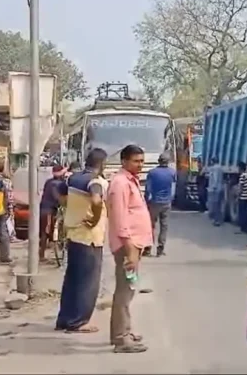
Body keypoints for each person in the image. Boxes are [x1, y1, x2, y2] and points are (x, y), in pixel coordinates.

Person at [55, 149, 108, 334]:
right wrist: (94, 219)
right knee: (88, 282)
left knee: (72, 280)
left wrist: (69, 207)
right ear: (102, 164)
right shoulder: (96, 181)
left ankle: (64, 319)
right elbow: (96, 201)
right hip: (89, 238)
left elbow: (60, 193)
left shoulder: (72, 178)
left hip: (73, 234)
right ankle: (79, 321)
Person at [107, 145, 152, 353]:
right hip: (128, 246)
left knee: (129, 289)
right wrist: (130, 247)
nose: (140, 164)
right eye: (136, 161)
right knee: (125, 291)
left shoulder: (129, 181)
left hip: (134, 245)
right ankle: (120, 338)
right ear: (124, 161)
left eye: (142, 161)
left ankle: (124, 330)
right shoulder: (120, 184)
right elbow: (120, 218)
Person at [144, 152, 177, 257]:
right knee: (164, 226)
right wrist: (171, 199)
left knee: (150, 226)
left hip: (154, 202)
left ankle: (148, 249)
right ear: (168, 162)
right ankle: (160, 249)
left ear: (159, 161)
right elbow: (173, 187)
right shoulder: (172, 173)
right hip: (166, 202)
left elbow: (148, 188)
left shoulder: (152, 173)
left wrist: (146, 200)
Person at [39, 164, 67, 263]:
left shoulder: (49, 182)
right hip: (48, 210)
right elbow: (57, 198)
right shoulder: (56, 184)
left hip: (46, 209)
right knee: (45, 233)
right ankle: (41, 255)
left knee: (46, 232)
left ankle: (46, 250)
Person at [205, 157, 225, 226]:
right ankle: (219, 220)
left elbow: (215, 178)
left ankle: (216, 221)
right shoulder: (220, 168)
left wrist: (214, 187)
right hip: (221, 188)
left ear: (213, 161)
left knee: (215, 206)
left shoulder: (214, 168)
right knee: (219, 205)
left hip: (216, 189)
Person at [236, 161, 247, 234]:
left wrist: (238, 196)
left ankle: (243, 228)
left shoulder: (242, 176)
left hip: (242, 197)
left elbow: (240, 187)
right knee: (245, 212)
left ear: (240, 168)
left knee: (242, 213)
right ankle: (245, 227)